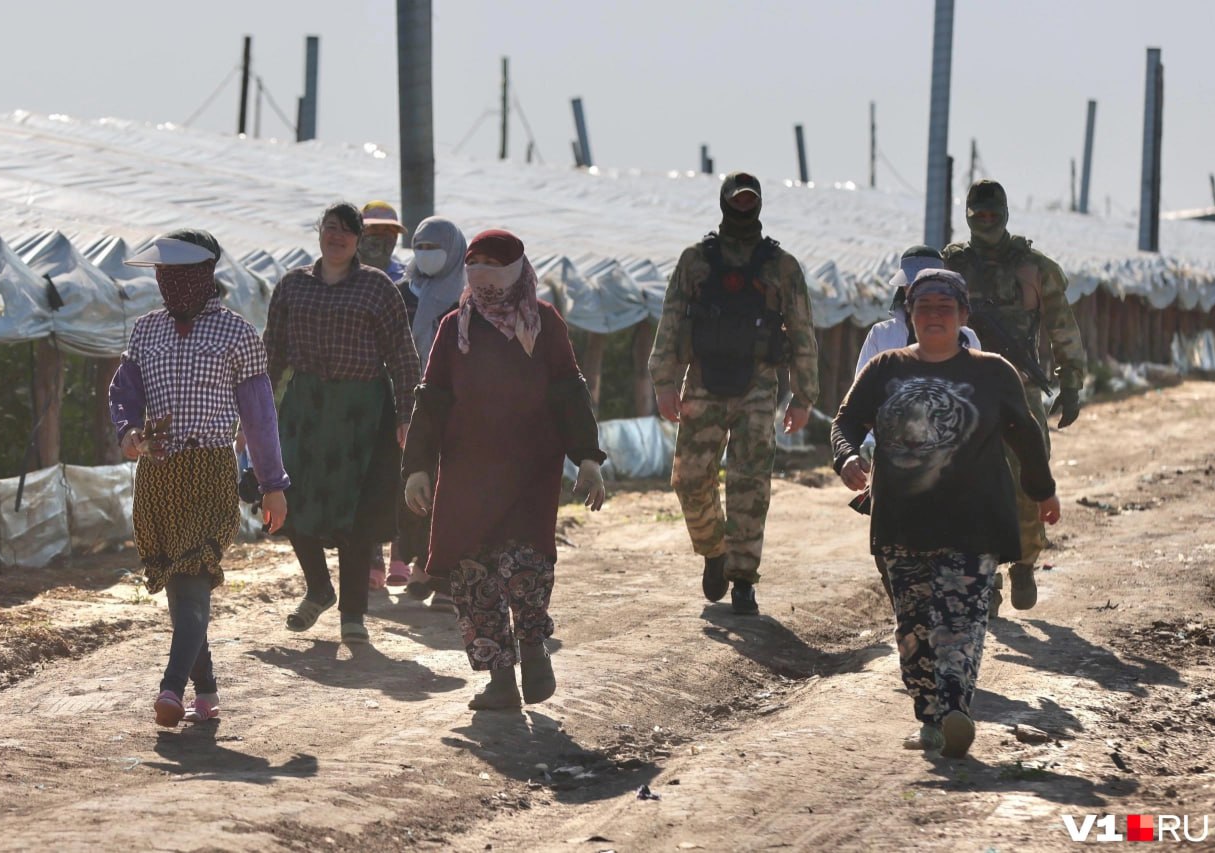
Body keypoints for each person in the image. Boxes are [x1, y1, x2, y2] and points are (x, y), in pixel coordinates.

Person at [830, 268, 1061, 758]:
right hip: (900, 523)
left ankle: (955, 707)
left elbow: (1025, 435)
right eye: (924, 306)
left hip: (972, 523)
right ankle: (931, 721)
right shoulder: (885, 369)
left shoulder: (992, 371)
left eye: (945, 307)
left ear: (962, 315)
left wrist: (1042, 492)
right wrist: (848, 456)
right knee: (913, 631)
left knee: (961, 620)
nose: (934, 315)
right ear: (910, 315)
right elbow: (845, 421)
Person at [402, 229, 606, 710]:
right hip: (467, 475)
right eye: (476, 263)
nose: (485, 274)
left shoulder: (544, 324)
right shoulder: (456, 327)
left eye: (497, 263)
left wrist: (590, 459)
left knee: (525, 566)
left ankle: (534, 651)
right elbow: (431, 400)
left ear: (518, 269)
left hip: (530, 473)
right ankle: (499, 680)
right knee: (474, 576)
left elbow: (569, 391)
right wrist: (417, 468)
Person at [109, 228, 289, 727]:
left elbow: (259, 417)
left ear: (206, 275)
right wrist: (127, 431)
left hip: (210, 469)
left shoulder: (237, 334)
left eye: (184, 275)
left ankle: (170, 688)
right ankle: (205, 692)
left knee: (193, 576)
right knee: (178, 583)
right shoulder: (147, 331)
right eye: (165, 276)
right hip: (159, 473)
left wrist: (272, 483)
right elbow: (124, 392)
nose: (173, 285)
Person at [648, 171, 819, 615]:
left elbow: (801, 331)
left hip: (758, 385)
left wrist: (804, 397)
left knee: (749, 483)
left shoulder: (782, 267)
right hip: (702, 380)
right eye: (736, 201)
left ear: (759, 204)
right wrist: (664, 382)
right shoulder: (695, 260)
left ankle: (743, 578)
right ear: (724, 203)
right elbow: (670, 321)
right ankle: (714, 551)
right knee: (688, 479)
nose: (743, 208)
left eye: (750, 201)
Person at [264, 202, 420, 644]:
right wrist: (256, 416)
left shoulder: (377, 288)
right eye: (329, 228)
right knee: (289, 501)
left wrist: (407, 415)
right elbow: (271, 353)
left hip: (361, 413)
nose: (336, 237)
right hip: (305, 410)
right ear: (320, 233)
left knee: (357, 516)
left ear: (357, 240)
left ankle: (354, 613)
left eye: (346, 231)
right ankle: (318, 588)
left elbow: (403, 357)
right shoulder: (293, 285)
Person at [943, 180, 1085, 612]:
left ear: (1004, 214)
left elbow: (1062, 325)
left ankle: (1022, 564)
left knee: (1028, 479)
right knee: (969, 485)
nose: (986, 222)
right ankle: (985, 579)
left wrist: (1072, 381)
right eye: (978, 215)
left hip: (1019, 390)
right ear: (968, 215)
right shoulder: (951, 266)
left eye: (992, 214)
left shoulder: (1033, 267)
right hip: (964, 389)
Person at [853, 245, 982, 608]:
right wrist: (862, 443)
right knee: (888, 541)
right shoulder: (882, 335)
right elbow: (860, 393)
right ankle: (907, 609)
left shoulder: (966, 338)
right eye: (914, 289)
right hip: (893, 454)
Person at [388, 215, 468, 614]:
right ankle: (421, 561)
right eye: (420, 246)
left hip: (456, 407)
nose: (425, 255)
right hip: (409, 402)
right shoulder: (403, 293)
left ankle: (447, 577)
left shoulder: (469, 296)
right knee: (411, 486)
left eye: (434, 248)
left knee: (450, 488)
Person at [357, 200, 409, 586]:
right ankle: (368, 553)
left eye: (389, 235)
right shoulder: (342, 276)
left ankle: (396, 554)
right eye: (374, 234)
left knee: (393, 468)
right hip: (355, 388)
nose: (382, 242)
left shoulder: (404, 280)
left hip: (396, 387)